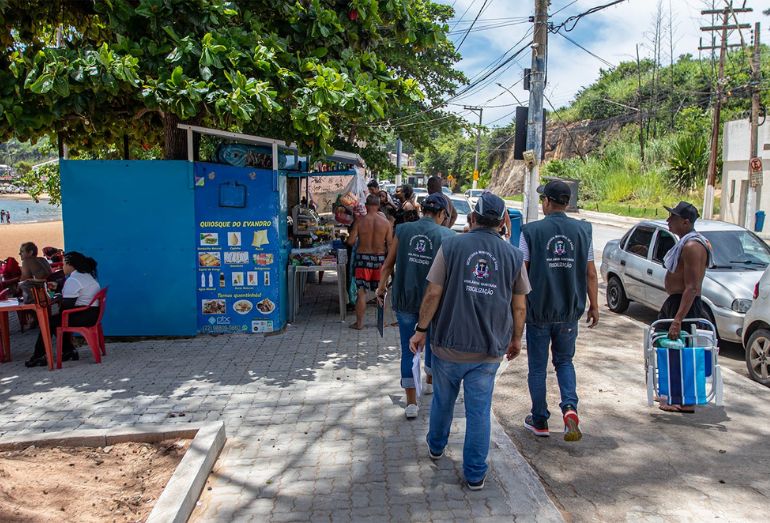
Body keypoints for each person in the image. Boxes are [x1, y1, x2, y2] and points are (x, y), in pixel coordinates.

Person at [410, 192, 530, 490]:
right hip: (488, 350)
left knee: (442, 400)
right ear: (503, 221)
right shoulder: (514, 256)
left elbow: (433, 294)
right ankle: (475, 474)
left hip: (449, 345)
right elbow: (519, 306)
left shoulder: (450, 245)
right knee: (479, 412)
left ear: (473, 218)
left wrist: (421, 329)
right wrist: (516, 339)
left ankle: (436, 447)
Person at [519, 180, 599, 442]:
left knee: (538, 368)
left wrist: (515, 311)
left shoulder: (530, 231)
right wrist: (595, 306)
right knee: (564, 362)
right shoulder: (583, 231)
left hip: (539, 313)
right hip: (569, 314)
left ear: (548, 202)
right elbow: (590, 273)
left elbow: (522, 272)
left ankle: (540, 420)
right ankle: (570, 410)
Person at [376, 194, 455, 418]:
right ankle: (429, 381)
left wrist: (381, 288)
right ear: (440, 214)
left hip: (404, 300)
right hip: (434, 304)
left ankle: (411, 403)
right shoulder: (447, 235)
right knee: (432, 344)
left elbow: (388, 264)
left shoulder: (402, 230)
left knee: (408, 349)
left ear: (422, 210)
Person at [657, 201, 713, 413]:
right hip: (675, 302)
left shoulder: (693, 247)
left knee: (685, 352)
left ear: (686, 222)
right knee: (664, 346)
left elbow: (692, 287)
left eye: (673, 217)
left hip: (685, 305)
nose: (668, 221)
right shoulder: (684, 243)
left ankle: (686, 400)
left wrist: (678, 319)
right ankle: (672, 392)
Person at [26, 252, 101, 367]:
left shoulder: (74, 280)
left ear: (71, 265)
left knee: (49, 322)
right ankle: (68, 350)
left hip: (83, 316)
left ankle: (39, 356)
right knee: (57, 320)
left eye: (64, 264)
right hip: (91, 314)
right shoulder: (86, 275)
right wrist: (60, 290)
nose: (62, 267)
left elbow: (67, 306)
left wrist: (57, 296)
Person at [346, 194, 393, 330]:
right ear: (378, 206)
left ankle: (359, 324)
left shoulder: (360, 221)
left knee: (361, 293)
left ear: (366, 206)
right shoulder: (386, 223)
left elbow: (350, 241)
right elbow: (390, 245)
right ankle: (381, 323)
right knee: (380, 292)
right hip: (379, 260)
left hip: (362, 259)